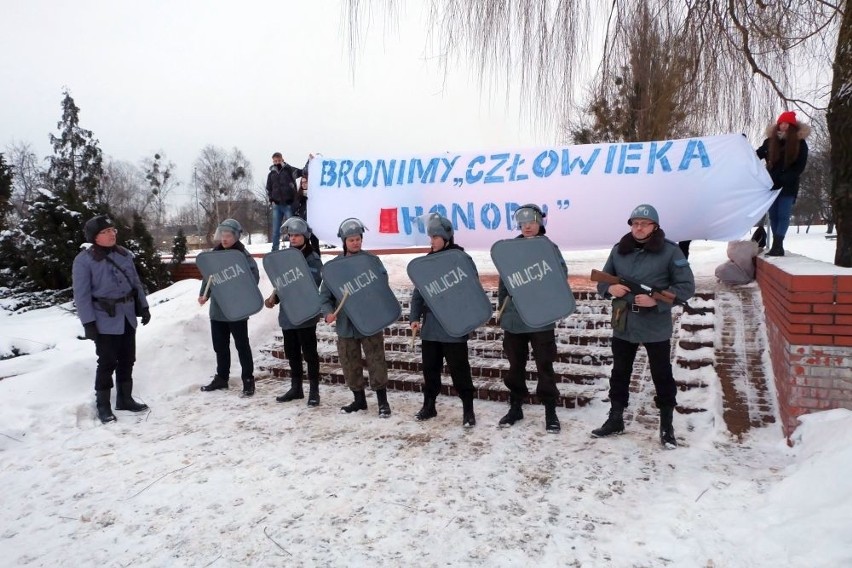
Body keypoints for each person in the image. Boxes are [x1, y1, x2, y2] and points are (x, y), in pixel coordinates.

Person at [591, 204, 695, 448]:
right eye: (634, 223)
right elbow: (602, 281)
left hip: (654, 324)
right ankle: (615, 419)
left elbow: (686, 287)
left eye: (644, 223)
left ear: (655, 226)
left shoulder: (671, 252)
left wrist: (655, 299)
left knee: (662, 374)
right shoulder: (620, 250)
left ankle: (667, 425)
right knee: (619, 373)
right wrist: (610, 289)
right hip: (624, 321)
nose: (638, 227)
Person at [72, 215, 152, 423]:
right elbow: (81, 295)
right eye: (105, 232)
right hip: (103, 319)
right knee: (107, 362)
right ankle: (104, 406)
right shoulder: (84, 261)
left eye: (112, 230)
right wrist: (88, 323)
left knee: (128, 359)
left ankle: (125, 399)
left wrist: (143, 306)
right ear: (94, 237)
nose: (111, 234)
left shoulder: (124, 254)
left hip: (126, 316)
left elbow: (135, 282)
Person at [496, 204, 568, 434]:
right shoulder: (510, 249)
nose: (527, 226)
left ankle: (550, 411)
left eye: (532, 222)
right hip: (515, 318)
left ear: (540, 223)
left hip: (541, 317)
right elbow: (504, 283)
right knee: (515, 365)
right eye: (523, 223)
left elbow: (560, 275)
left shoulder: (548, 248)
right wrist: (503, 311)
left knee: (544, 365)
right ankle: (515, 407)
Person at [319, 218, 392, 418]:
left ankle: (382, 402)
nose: (355, 243)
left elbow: (381, 285)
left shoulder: (371, 261)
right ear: (344, 241)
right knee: (350, 362)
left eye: (358, 239)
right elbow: (324, 296)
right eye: (351, 240)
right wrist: (327, 313)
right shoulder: (334, 268)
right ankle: (359, 400)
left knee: (376, 360)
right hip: (346, 324)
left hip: (370, 321)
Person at [409, 214, 477, 428]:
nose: (433, 241)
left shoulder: (460, 259)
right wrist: (414, 317)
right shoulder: (427, 262)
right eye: (431, 237)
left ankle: (468, 410)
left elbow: (471, 290)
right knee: (430, 369)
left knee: (459, 370)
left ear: (447, 237)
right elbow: (418, 294)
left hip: (453, 327)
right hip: (431, 328)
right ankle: (429, 405)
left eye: (436, 237)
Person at [198, 219, 260, 396]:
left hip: (237, 309)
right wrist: (204, 294)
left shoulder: (243, 256)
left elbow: (252, 278)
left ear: (236, 236)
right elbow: (208, 278)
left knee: (242, 345)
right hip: (218, 309)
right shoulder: (214, 254)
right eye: (222, 235)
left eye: (228, 236)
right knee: (220, 345)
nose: (224, 239)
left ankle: (248, 380)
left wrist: (238, 291)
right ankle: (222, 378)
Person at [266, 217, 323, 406]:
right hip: (289, 312)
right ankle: (296, 387)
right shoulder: (285, 257)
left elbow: (312, 283)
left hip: (305, 311)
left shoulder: (313, 258)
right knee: (292, 352)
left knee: (309, 353)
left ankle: (314, 390)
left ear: (305, 236)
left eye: (297, 235)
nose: (293, 238)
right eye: (291, 235)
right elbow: (282, 282)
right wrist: (275, 297)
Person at [756, 110, 810, 257]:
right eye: (781, 123)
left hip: (788, 185)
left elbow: (799, 167)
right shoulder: (769, 142)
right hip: (771, 185)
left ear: (792, 126)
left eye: (786, 123)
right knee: (773, 215)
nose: (783, 126)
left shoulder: (800, 143)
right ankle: (776, 245)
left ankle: (778, 244)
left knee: (783, 215)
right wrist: (742, 145)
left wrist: (783, 179)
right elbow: (756, 155)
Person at [267, 152, 304, 252]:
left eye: (279, 160)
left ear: (282, 159)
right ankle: (274, 250)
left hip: (288, 204)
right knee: (275, 230)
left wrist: (310, 162)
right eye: (275, 161)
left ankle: (294, 248)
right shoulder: (271, 174)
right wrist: (271, 200)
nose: (277, 162)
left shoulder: (289, 170)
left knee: (292, 228)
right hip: (276, 205)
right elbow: (268, 188)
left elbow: (302, 172)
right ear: (273, 161)